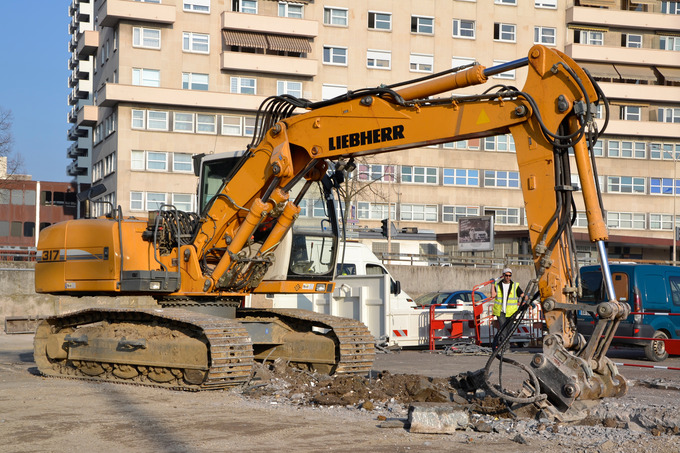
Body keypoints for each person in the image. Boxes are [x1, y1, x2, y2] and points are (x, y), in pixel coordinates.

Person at [490, 268, 526, 350]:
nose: (508, 277)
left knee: (508, 329)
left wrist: (529, 301)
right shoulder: (498, 285)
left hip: (511, 312)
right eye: (506, 275)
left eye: (509, 275)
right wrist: (492, 285)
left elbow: (522, 295)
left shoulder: (515, 285)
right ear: (503, 276)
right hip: (500, 311)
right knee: (503, 328)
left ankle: (503, 344)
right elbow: (493, 295)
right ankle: (505, 346)